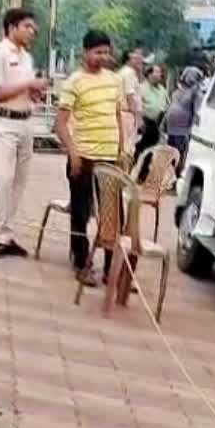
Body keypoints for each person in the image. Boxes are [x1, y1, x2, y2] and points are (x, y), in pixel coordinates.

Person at [55, 30, 128, 287]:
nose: (103, 57)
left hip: (110, 160)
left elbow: (117, 116)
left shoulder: (114, 81)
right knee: (81, 211)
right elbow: (61, 124)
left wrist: (121, 149)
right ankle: (82, 262)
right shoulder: (74, 82)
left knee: (112, 216)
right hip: (84, 157)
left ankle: (111, 269)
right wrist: (73, 153)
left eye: (106, 52)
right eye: (97, 52)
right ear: (84, 53)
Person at [0, 8, 52, 258]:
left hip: (25, 121)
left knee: (19, 181)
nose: (33, 31)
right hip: (5, 123)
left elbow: (25, 89)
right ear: (12, 28)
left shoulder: (27, 58)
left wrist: (36, 92)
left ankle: (6, 233)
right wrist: (28, 84)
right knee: (4, 179)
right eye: (27, 27)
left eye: (33, 28)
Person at [163, 66, 204, 171]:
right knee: (169, 152)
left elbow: (197, 111)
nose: (189, 78)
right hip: (171, 127)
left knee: (177, 154)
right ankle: (167, 175)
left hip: (182, 130)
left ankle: (174, 176)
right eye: (188, 75)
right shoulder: (180, 89)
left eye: (192, 76)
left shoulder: (196, 93)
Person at [135, 64, 168, 164]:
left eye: (160, 72)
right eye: (157, 72)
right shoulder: (141, 88)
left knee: (152, 151)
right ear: (149, 74)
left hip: (157, 123)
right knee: (141, 150)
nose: (160, 74)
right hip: (144, 123)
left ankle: (145, 172)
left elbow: (166, 104)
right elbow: (136, 106)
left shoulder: (162, 90)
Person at [117, 47, 146, 147]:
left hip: (124, 115)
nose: (141, 58)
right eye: (138, 55)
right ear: (130, 56)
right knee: (126, 148)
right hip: (127, 115)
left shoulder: (126, 72)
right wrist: (138, 119)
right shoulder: (128, 73)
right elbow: (130, 97)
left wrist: (139, 70)